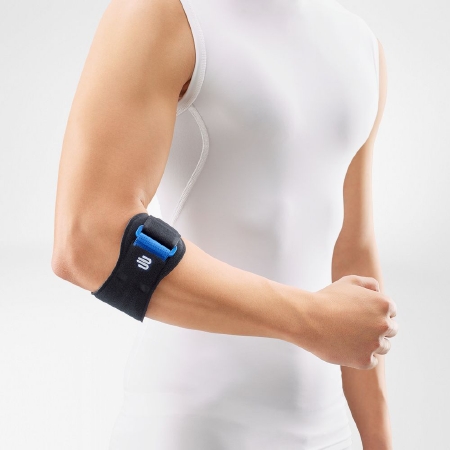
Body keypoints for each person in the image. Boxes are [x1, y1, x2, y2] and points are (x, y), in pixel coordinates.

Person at [51, 0, 398, 448]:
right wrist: (310, 320)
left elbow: (351, 249)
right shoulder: (162, 13)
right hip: (192, 427)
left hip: (327, 431)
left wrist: (379, 440)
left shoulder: (361, 44)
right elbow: (88, 241)